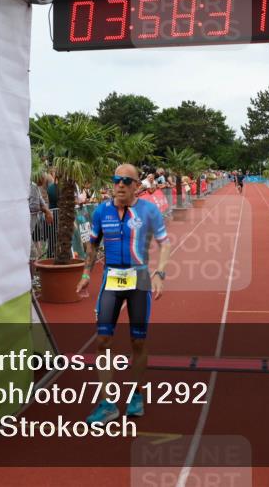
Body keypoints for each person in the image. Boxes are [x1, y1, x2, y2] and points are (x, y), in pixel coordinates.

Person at [76, 164, 171, 423]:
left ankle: (137, 394)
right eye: (116, 179)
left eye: (126, 181)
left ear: (136, 185)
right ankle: (107, 403)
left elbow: (165, 244)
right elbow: (92, 245)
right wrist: (86, 275)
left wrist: (160, 274)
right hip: (111, 279)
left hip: (139, 278)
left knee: (138, 342)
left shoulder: (148, 210)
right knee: (103, 341)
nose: (119, 184)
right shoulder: (101, 211)